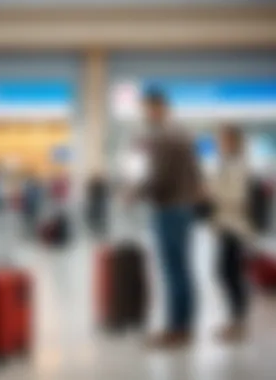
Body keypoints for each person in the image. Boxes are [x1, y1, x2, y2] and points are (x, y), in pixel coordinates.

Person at [136, 88, 202, 349]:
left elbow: (159, 179)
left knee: (173, 271)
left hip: (169, 209)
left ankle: (175, 329)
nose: (146, 114)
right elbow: (195, 173)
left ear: (160, 106)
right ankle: (185, 327)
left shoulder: (165, 135)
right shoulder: (182, 133)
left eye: (149, 108)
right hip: (183, 208)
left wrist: (135, 192)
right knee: (183, 270)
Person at [210, 125, 252, 342]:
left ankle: (238, 322)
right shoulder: (225, 163)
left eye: (225, 140)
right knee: (226, 273)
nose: (221, 144)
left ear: (235, 141)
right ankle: (235, 320)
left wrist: (212, 194)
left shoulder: (239, 165)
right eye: (220, 140)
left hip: (235, 227)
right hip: (225, 226)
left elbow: (238, 197)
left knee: (230, 274)